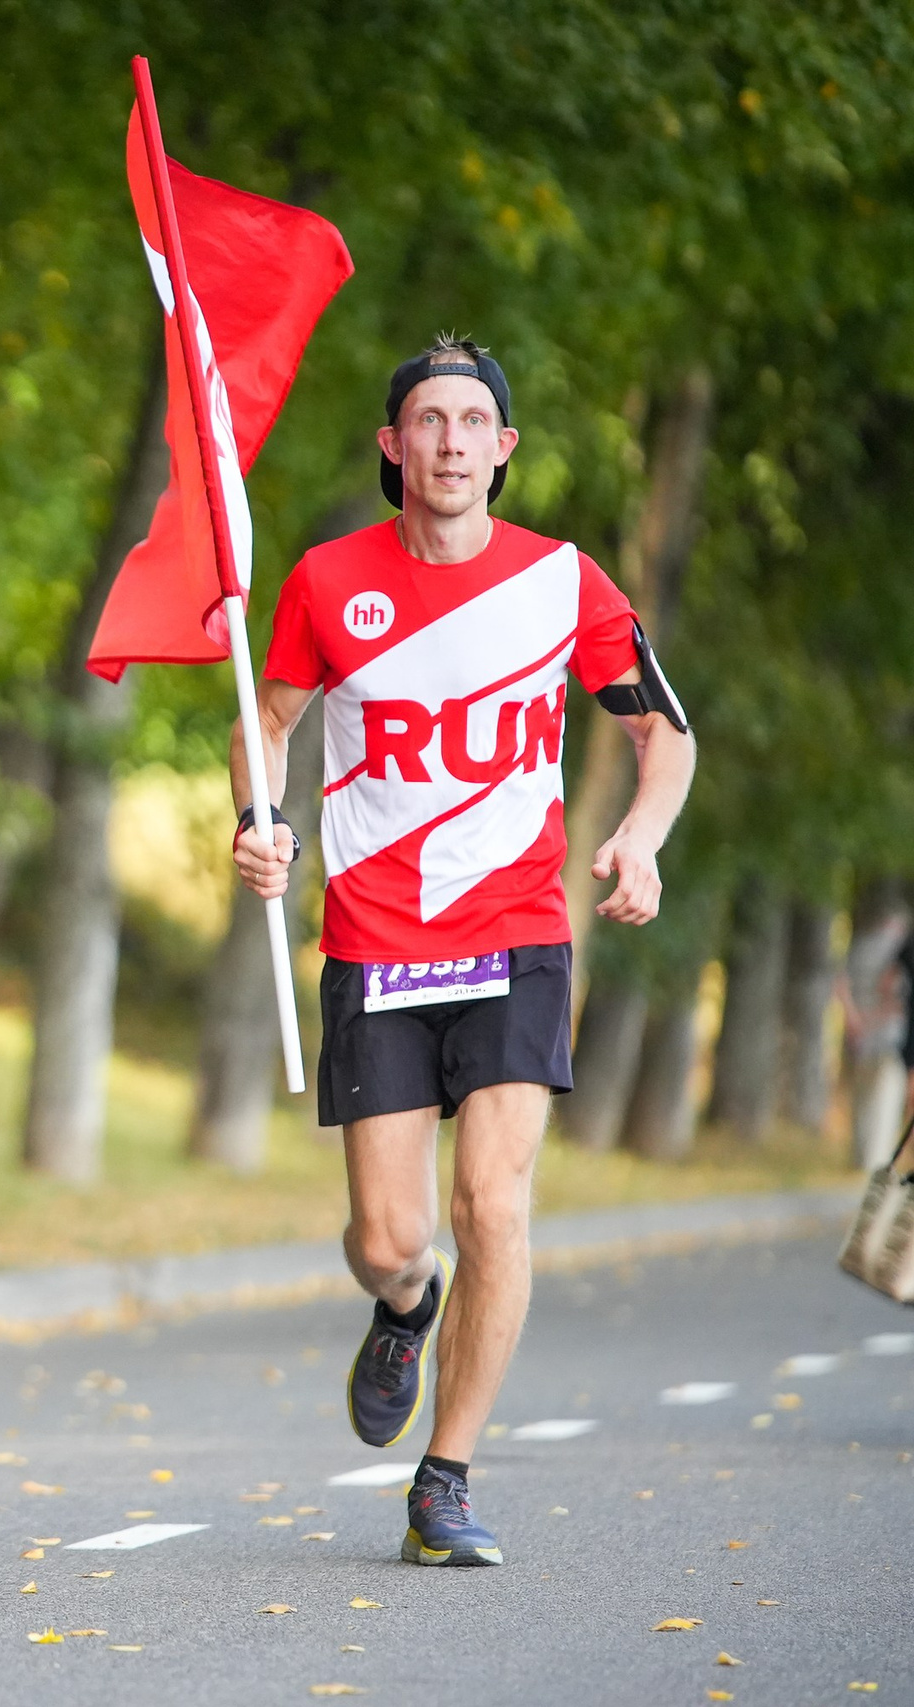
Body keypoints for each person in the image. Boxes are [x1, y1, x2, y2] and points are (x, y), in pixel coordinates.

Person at [233, 336, 696, 1568]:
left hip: (514, 933)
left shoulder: (562, 582)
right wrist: (258, 819)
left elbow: (665, 735)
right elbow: (263, 723)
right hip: (375, 940)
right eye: (425, 420)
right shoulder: (329, 581)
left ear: (503, 448)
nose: (447, 441)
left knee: (492, 1203)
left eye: (470, 420)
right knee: (392, 1238)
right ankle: (402, 1309)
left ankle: (446, 1479)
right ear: (393, 447)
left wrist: (640, 839)